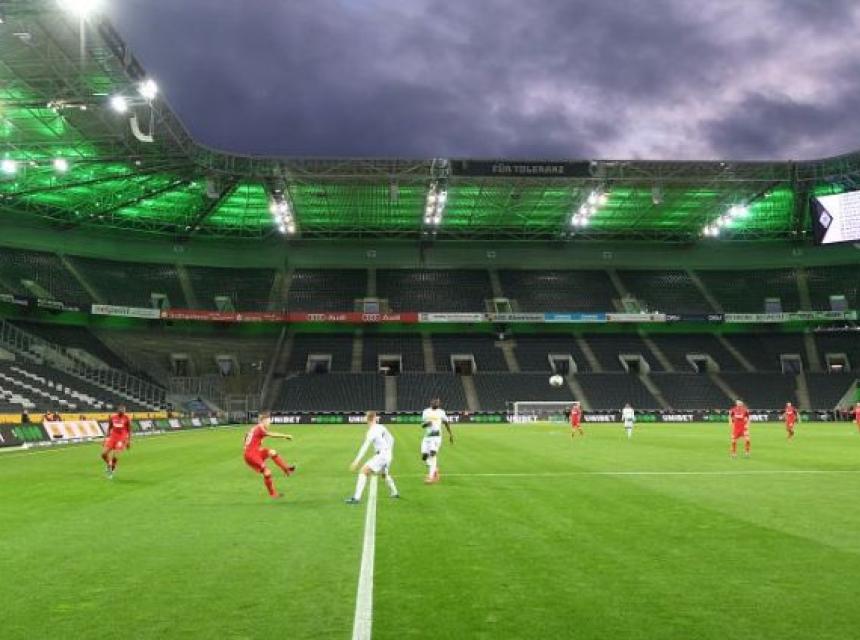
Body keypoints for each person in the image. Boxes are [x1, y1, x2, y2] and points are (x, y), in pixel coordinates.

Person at [345, 411, 399, 504]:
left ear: (367, 419)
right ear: (375, 418)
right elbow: (392, 439)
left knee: (363, 471)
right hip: (387, 454)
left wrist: (356, 461)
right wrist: (389, 453)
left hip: (381, 455)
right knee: (384, 474)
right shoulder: (381, 427)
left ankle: (356, 498)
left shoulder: (371, 431)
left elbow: (365, 447)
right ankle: (395, 492)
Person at [243, 412, 295, 499]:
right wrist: (285, 436)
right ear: (263, 421)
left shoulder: (255, 427)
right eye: (268, 421)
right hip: (251, 455)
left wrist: (247, 445)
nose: (269, 423)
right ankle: (273, 494)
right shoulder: (260, 428)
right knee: (267, 472)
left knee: (272, 452)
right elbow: (271, 434)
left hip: (256, 451)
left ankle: (286, 469)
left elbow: (246, 436)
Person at [420, 398, 454, 484]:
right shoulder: (426, 412)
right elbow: (422, 425)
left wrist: (450, 434)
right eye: (435, 402)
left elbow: (446, 423)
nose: (437, 403)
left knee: (432, 453)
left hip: (436, 437)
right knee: (424, 456)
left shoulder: (441, 412)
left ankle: (431, 477)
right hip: (427, 437)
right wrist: (427, 424)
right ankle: (435, 469)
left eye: (438, 402)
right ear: (431, 403)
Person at [101, 405, 131, 478]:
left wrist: (128, 441)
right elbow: (109, 428)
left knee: (115, 456)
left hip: (121, 439)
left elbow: (129, 430)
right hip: (112, 438)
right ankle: (109, 464)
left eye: (123, 410)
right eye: (121, 410)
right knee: (103, 454)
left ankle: (111, 471)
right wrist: (105, 439)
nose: (122, 411)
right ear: (118, 410)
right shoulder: (113, 418)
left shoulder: (127, 418)